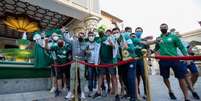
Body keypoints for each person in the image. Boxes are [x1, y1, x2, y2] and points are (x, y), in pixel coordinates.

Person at [154, 23, 191, 101]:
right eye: (161, 27)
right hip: (163, 61)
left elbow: (181, 47)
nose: (163, 28)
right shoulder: (158, 38)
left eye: (164, 27)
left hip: (174, 60)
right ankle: (170, 90)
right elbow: (156, 48)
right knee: (165, 77)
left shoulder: (174, 37)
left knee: (181, 78)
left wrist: (187, 57)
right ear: (160, 29)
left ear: (167, 28)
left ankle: (186, 97)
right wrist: (152, 53)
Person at [93, 28, 120, 101]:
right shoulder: (100, 39)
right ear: (105, 33)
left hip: (111, 61)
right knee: (100, 76)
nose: (108, 33)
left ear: (111, 33)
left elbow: (115, 47)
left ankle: (117, 94)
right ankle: (98, 92)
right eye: (107, 32)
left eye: (109, 32)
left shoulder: (113, 39)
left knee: (114, 76)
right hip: (102, 61)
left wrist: (112, 44)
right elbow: (96, 49)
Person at [64, 32, 88, 100]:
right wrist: (63, 32)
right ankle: (71, 92)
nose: (81, 36)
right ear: (78, 36)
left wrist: (87, 54)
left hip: (82, 61)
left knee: (82, 77)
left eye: (82, 35)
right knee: (72, 78)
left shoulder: (85, 44)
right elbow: (66, 40)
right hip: (74, 61)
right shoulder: (73, 42)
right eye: (80, 35)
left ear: (84, 37)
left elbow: (88, 54)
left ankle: (82, 92)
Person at [85, 31, 100, 97]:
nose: (91, 36)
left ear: (94, 36)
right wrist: (86, 52)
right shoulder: (86, 44)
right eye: (90, 35)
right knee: (90, 77)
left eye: (92, 35)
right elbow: (84, 54)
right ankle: (90, 90)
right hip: (89, 63)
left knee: (98, 76)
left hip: (97, 63)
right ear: (88, 37)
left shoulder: (97, 43)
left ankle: (99, 90)